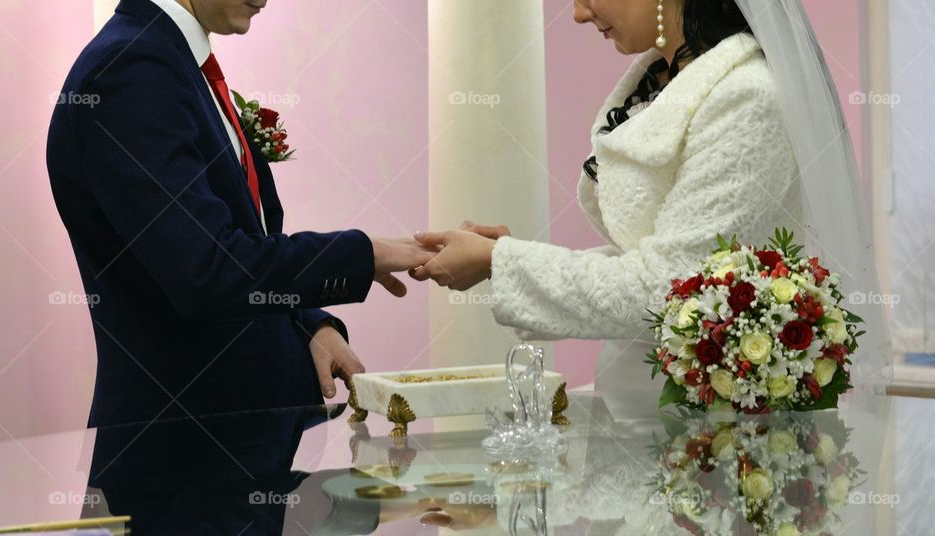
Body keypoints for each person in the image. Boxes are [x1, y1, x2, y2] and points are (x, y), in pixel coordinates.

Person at [413, 0, 890, 393]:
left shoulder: (747, 98)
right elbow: (663, 262)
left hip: (713, 432)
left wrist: (501, 261)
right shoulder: (668, 81)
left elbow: (669, 287)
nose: (577, 14)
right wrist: (510, 258)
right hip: (651, 402)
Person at [47, 0, 432, 427]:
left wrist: (308, 325)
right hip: (183, 455)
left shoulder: (172, 61)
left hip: (236, 443)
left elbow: (243, 243)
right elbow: (203, 269)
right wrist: (363, 254)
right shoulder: (131, 68)